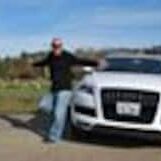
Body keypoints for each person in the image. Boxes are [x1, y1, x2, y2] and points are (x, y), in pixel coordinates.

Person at [33, 38, 98, 143]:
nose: (56, 48)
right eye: (54, 46)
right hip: (54, 88)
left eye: (58, 46)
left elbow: (80, 61)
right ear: (52, 46)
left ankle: (54, 137)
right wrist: (34, 64)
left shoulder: (67, 56)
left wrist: (95, 63)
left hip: (65, 89)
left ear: (61, 46)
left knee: (59, 114)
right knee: (45, 107)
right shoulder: (51, 56)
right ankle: (61, 123)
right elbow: (43, 62)